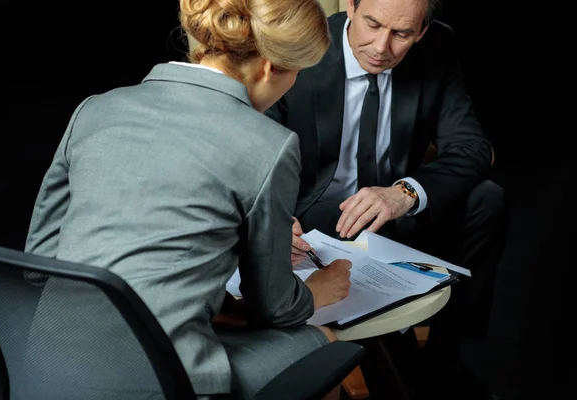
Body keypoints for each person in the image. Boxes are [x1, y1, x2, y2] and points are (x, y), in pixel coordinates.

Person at [23, 0, 353, 399]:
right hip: (162, 380)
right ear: (271, 66)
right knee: (327, 343)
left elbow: (37, 265)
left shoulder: (95, 109)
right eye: (299, 73)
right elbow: (275, 308)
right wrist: (318, 289)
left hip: (41, 367)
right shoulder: (270, 144)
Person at [265, 0, 508, 395]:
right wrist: (272, 216)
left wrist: (406, 193)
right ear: (351, 6)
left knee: (488, 199)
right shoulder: (303, 45)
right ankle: (403, 384)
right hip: (316, 209)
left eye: (402, 34)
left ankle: (449, 360)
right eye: (372, 24)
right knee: (345, 225)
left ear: (423, 32)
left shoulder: (437, 47)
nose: (381, 47)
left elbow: (471, 147)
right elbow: (257, 145)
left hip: (394, 206)